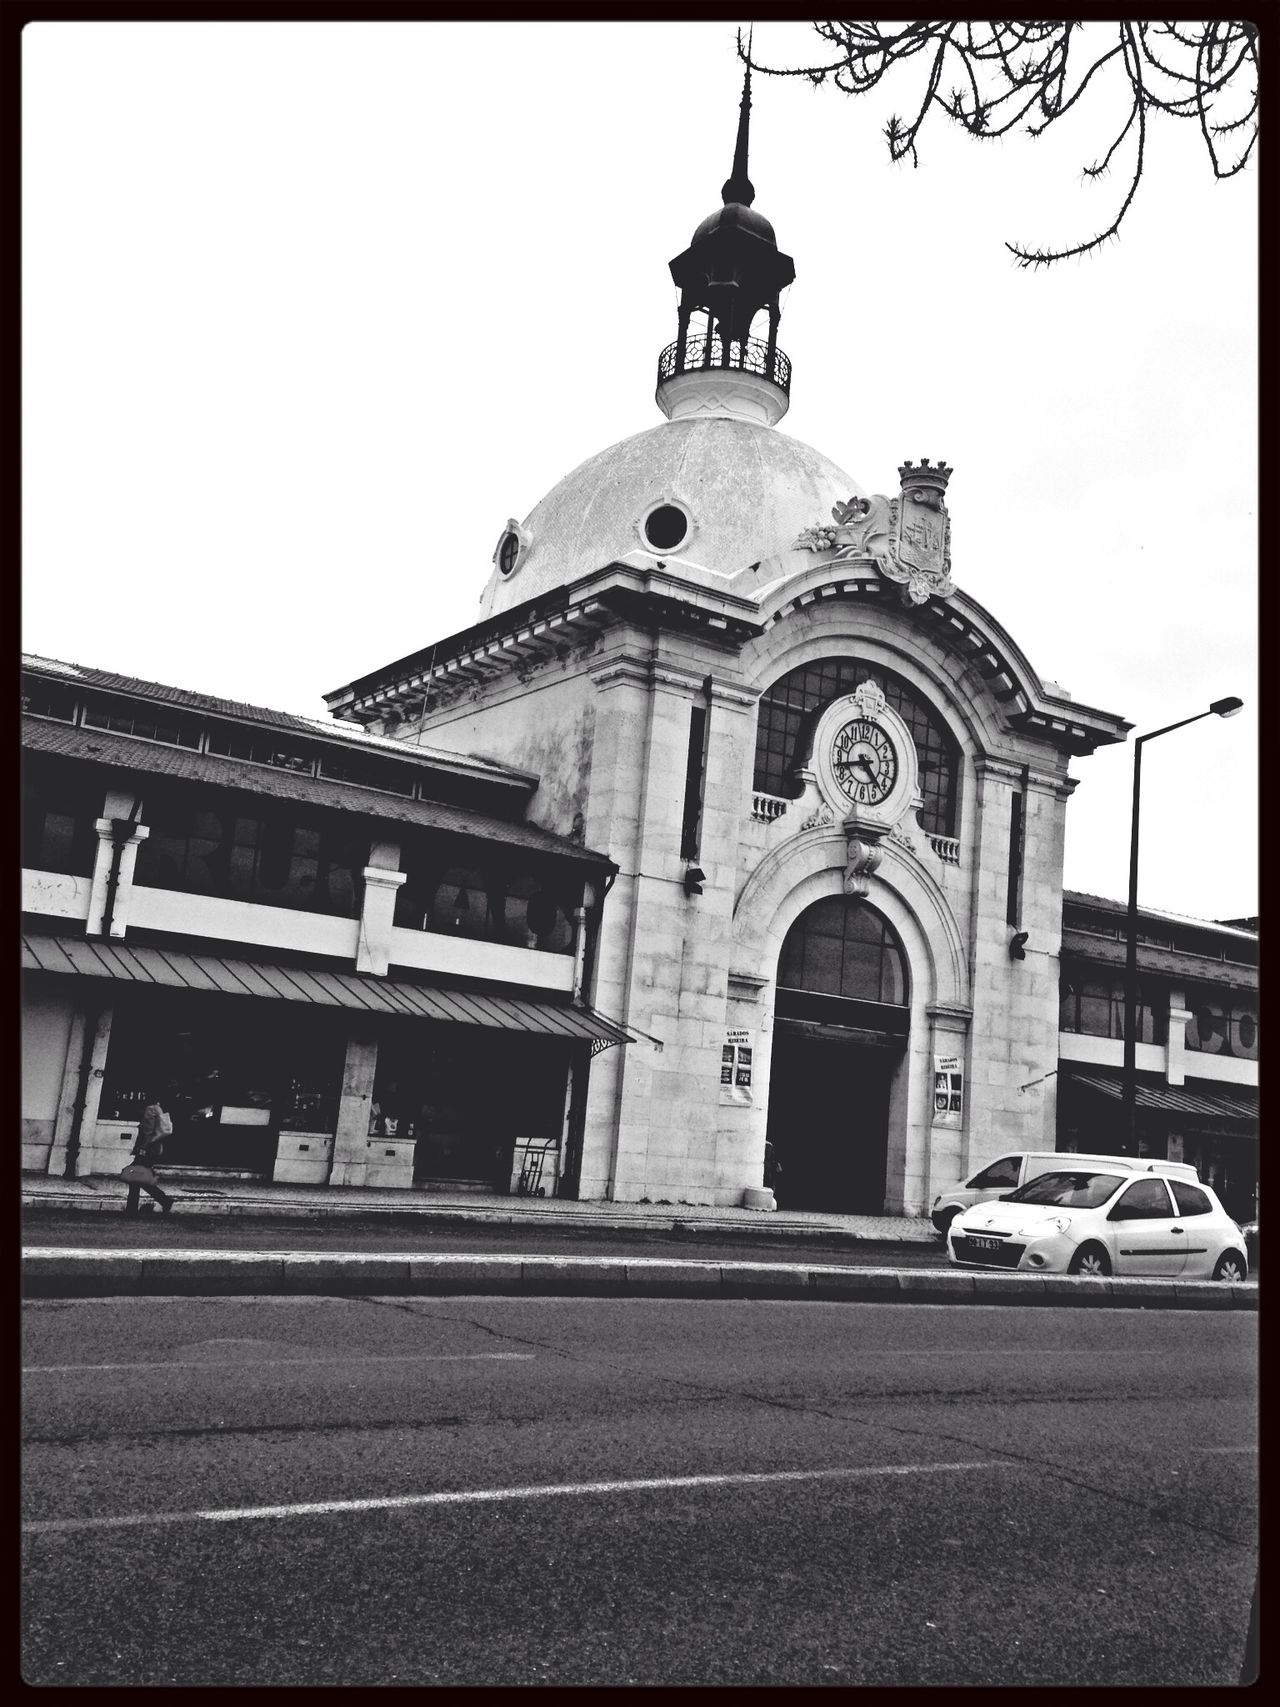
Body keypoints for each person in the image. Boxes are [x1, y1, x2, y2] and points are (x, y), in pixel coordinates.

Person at [122, 1093, 176, 1216]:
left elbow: (148, 1131)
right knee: (137, 1178)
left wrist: (142, 1148)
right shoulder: (159, 1108)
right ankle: (134, 1209)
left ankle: (163, 1201)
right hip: (153, 1150)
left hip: (147, 1150)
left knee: (135, 1177)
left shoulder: (150, 1109)